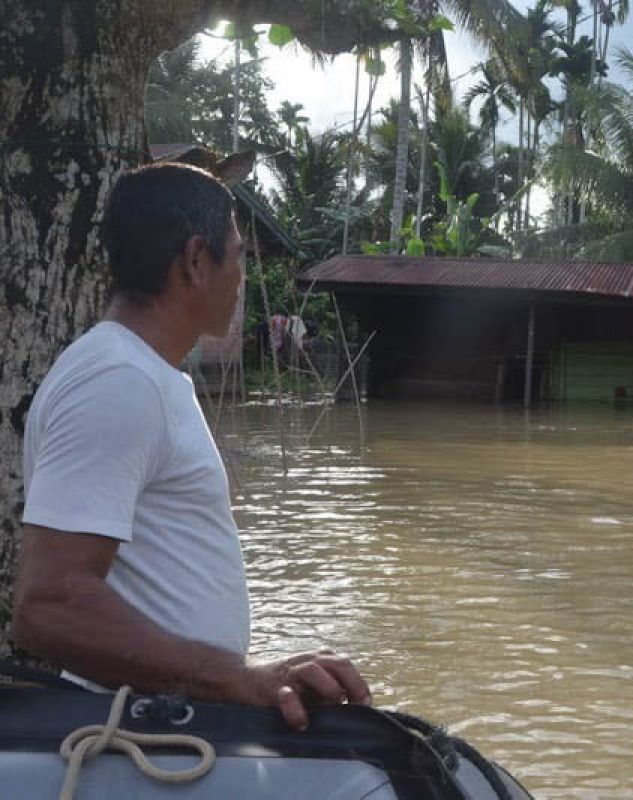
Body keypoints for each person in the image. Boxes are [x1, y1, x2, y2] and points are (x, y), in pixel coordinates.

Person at [12, 163, 369, 730]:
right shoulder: (117, 381)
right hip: (140, 731)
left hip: (173, 716)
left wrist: (245, 676)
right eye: (240, 255)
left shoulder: (144, 375)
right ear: (196, 261)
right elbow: (48, 607)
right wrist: (238, 677)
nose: (244, 277)